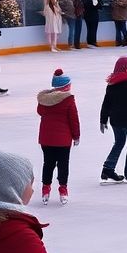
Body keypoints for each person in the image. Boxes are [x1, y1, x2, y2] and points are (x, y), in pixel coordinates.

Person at [37, 69, 79, 206]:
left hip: (46, 139)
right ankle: (63, 189)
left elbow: (40, 112)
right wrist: (76, 136)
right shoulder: (68, 99)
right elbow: (74, 119)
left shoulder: (44, 99)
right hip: (63, 140)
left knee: (48, 164)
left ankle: (45, 189)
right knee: (63, 164)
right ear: (66, 87)